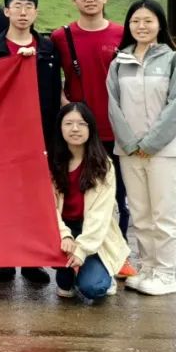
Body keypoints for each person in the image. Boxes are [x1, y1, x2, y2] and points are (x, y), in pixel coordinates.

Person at [0, 0, 61, 285]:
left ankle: (31, 260)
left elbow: (55, 91)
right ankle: (4, 258)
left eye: (29, 7)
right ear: (6, 11)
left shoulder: (48, 49)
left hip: (40, 134)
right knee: (3, 199)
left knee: (34, 199)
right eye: (17, 6)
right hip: (2, 137)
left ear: (36, 12)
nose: (23, 12)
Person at [107, 0, 176, 296]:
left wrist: (151, 143)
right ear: (128, 25)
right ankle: (148, 269)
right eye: (135, 21)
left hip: (165, 151)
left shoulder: (174, 61)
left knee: (163, 214)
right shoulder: (119, 62)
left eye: (148, 21)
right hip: (129, 151)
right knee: (141, 213)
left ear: (160, 24)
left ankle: (166, 275)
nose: (141, 26)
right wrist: (130, 143)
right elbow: (113, 106)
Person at [50, 0, 131, 245]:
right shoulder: (61, 37)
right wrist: (65, 105)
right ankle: (78, 248)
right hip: (78, 131)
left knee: (116, 196)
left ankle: (118, 253)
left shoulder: (123, 34)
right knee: (77, 194)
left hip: (115, 129)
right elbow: (51, 78)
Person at [50, 102, 129, 302]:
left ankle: (102, 272)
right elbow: (49, 208)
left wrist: (82, 250)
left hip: (93, 231)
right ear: (60, 128)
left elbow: (100, 216)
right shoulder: (52, 163)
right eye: (68, 123)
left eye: (81, 124)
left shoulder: (103, 165)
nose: (75, 129)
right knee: (64, 285)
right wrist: (65, 235)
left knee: (93, 287)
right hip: (63, 230)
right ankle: (69, 275)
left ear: (90, 128)